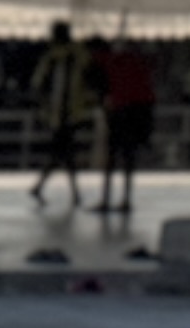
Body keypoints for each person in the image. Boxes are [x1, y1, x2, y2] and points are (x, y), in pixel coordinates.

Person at [24, 16, 87, 215]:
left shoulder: (53, 57)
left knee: (61, 152)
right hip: (70, 113)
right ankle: (67, 190)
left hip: (58, 114)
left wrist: (42, 107)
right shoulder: (76, 55)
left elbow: (37, 84)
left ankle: (43, 186)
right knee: (64, 153)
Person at [94, 34, 159, 225]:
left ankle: (106, 199)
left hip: (120, 110)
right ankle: (126, 199)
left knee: (112, 156)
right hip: (137, 111)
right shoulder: (139, 61)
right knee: (128, 157)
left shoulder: (108, 61)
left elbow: (99, 80)